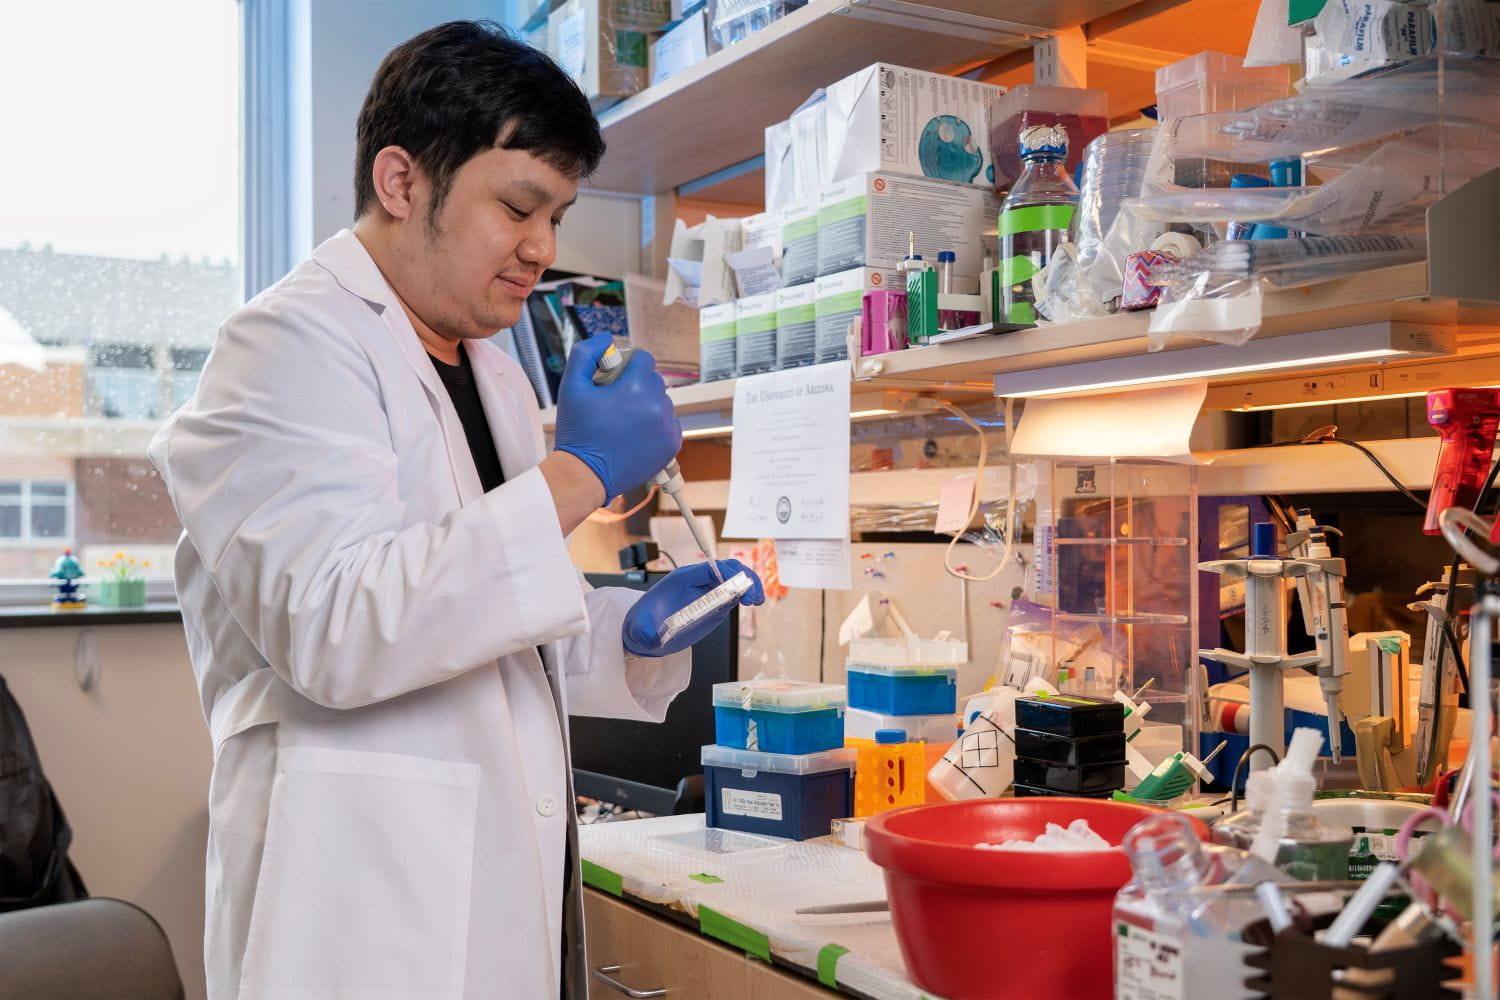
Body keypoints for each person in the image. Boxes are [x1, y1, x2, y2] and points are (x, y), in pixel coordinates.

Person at [149, 20, 762, 999]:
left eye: (558, 215)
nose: (542, 248)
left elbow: (485, 617)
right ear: (402, 181)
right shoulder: (281, 349)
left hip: (492, 890)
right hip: (358, 911)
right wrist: (582, 473)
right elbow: (337, 625)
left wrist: (623, 632)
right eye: (519, 206)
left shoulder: (495, 371)